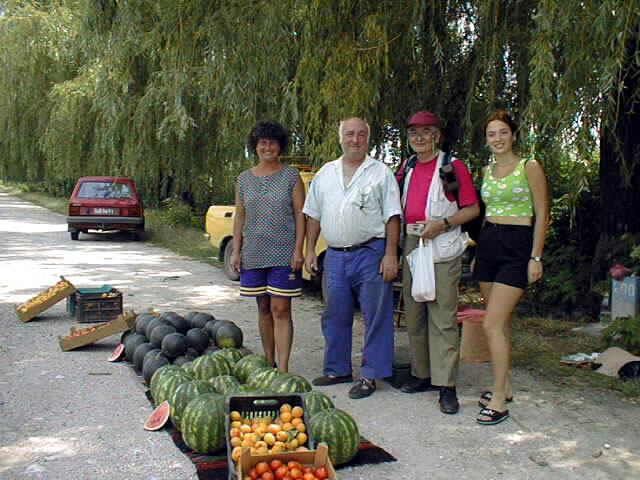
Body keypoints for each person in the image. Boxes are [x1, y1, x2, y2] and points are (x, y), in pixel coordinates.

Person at [303, 117, 402, 399]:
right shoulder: (326, 173)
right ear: (341, 138)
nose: (355, 140)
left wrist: (391, 254)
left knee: (375, 315)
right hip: (335, 255)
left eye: (360, 134)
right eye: (349, 134)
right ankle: (337, 369)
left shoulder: (380, 173)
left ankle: (371, 374)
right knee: (335, 314)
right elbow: (313, 215)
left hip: (371, 253)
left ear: (367, 139)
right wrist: (310, 250)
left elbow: (393, 216)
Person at [395, 110, 480, 414]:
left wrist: (442, 223)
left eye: (426, 131)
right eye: (413, 132)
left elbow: (471, 209)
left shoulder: (452, 167)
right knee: (415, 312)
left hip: (441, 244)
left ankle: (446, 385)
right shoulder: (407, 167)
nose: (419, 137)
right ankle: (422, 374)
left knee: (442, 315)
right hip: (412, 244)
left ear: (437, 135)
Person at [473, 110, 549, 425]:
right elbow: (484, 212)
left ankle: (499, 401)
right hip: (488, 244)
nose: (498, 139)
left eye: (503, 132)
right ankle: (504, 385)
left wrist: (535, 257)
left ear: (513, 135)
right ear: (486, 139)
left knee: (491, 323)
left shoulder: (529, 166)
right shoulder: (486, 170)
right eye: (492, 134)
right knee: (500, 323)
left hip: (517, 247)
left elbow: (542, 213)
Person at [230, 120, 305, 373]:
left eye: (272, 142)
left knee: (280, 309)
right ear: (255, 146)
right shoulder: (243, 179)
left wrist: (299, 250)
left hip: (284, 253)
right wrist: (236, 251)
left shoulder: (291, 176)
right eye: (262, 143)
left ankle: (283, 370)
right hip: (253, 253)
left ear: (280, 146)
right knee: (263, 307)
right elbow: (240, 216)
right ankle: (269, 362)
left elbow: (300, 214)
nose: (267, 147)